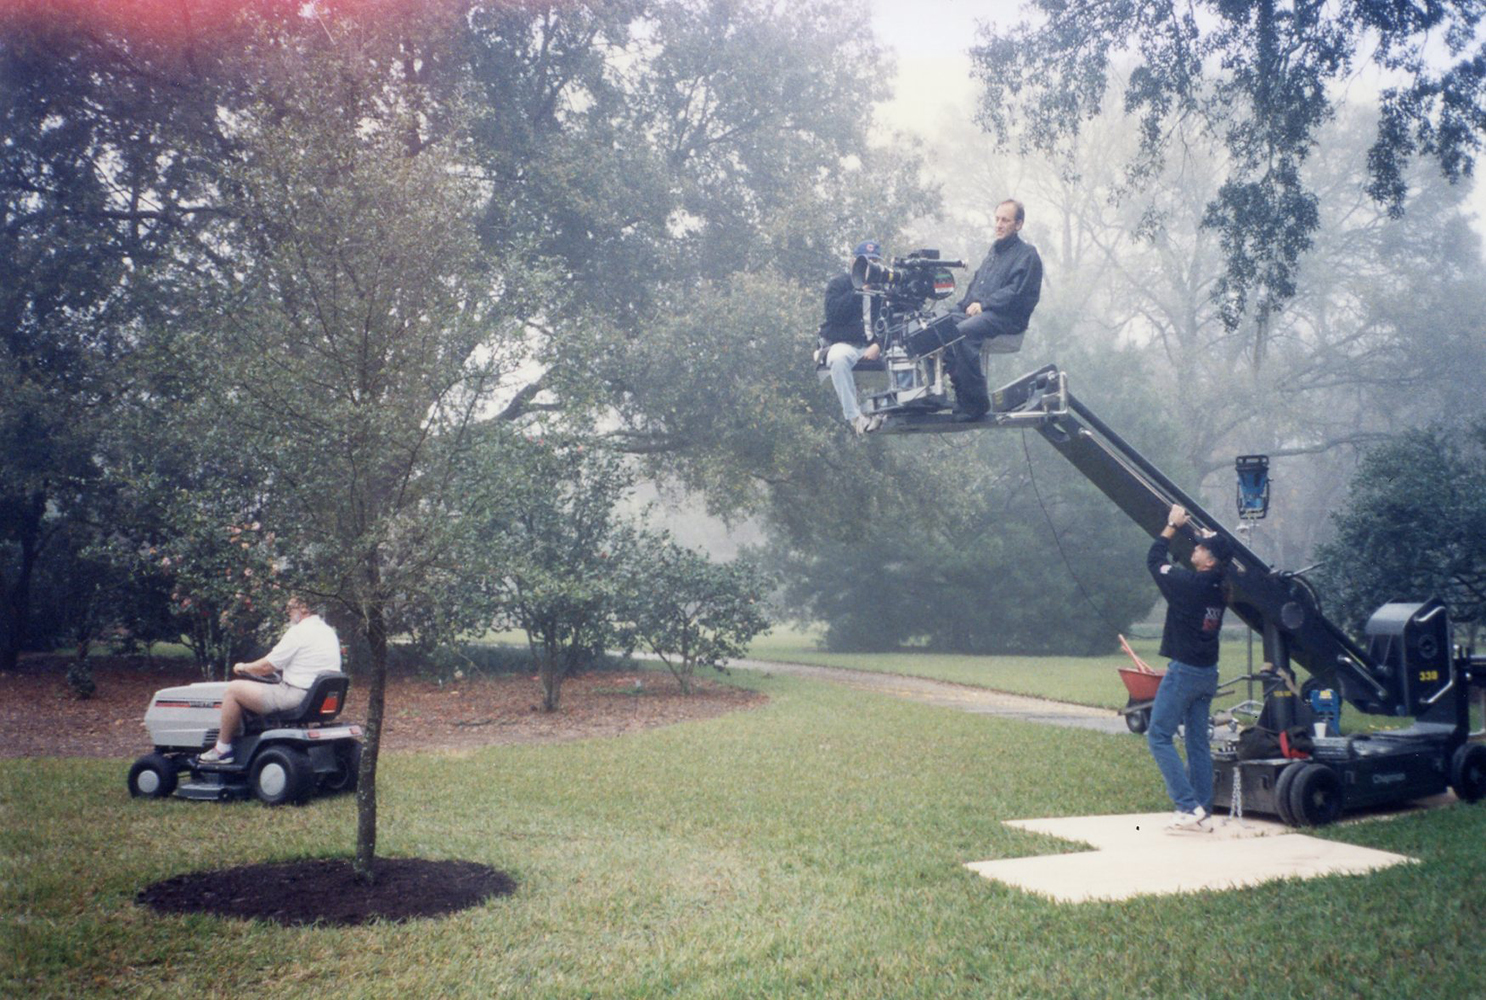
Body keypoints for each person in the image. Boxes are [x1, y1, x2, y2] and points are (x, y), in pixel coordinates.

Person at [1145, 504, 1233, 832]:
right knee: (1197, 742)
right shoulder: (1218, 586)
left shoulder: (1189, 586)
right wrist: (1194, 530)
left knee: (1158, 736)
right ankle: (1202, 809)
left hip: (1184, 673)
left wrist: (1171, 525)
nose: (1195, 548)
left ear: (1208, 560)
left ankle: (1185, 805)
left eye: (1200, 547)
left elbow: (1154, 560)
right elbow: (1209, 552)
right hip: (1208, 674)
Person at [198, 594, 342, 764]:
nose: (288, 613)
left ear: (304, 608)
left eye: (290, 608)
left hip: (296, 695)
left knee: (233, 690)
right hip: (319, 696)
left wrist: (243, 667)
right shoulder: (327, 631)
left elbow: (266, 667)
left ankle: (222, 749)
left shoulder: (299, 632)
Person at [941, 200, 1043, 421]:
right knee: (941, 326)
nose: (998, 224)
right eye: (997, 219)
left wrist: (984, 305)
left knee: (963, 333)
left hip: (1007, 318)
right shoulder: (993, 254)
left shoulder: (1027, 255)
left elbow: (1015, 292)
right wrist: (957, 308)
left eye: (1005, 220)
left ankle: (976, 404)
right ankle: (961, 396)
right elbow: (975, 290)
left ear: (1019, 224)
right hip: (984, 313)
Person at [818, 239, 886, 435]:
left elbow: (892, 323)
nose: (870, 266)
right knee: (838, 359)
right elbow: (833, 314)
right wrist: (858, 291)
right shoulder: (839, 284)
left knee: (904, 357)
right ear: (854, 262)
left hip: (873, 346)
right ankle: (855, 417)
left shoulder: (884, 290)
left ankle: (888, 411)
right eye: (866, 261)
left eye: (874, 261)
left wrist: (878, 345)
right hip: (845, 344)